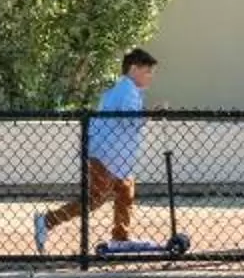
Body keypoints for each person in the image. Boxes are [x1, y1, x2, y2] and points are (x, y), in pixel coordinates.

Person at [32, 48, 157, 254]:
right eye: (147, 71)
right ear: (134, 68)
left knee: (125, 193)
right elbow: (129, 120)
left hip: (115, 156)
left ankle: (121, 237)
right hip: (105, 155)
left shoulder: (127, 90)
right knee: (95, 199)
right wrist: (152, 113)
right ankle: (47, 221)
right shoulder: (126, 90)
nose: (150, 76)